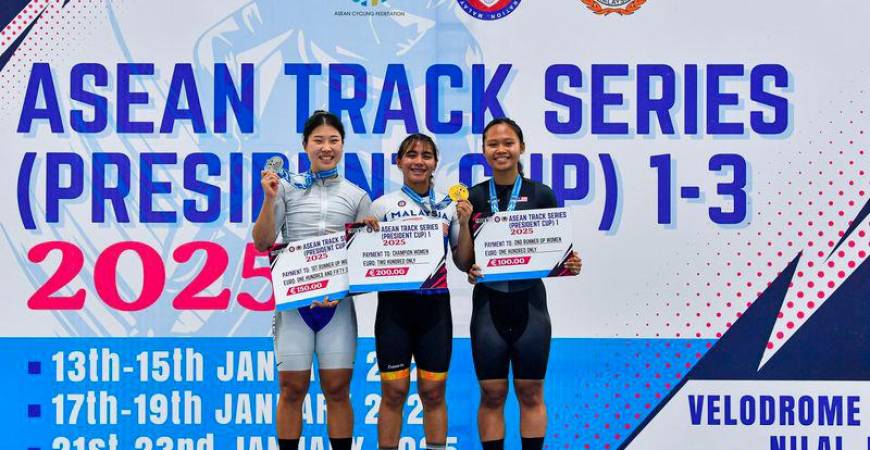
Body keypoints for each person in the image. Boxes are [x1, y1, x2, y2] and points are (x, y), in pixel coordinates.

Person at [454, 118, 583, 450]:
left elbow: (557, 251)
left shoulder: (541, 194)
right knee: (493, 394)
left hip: (530, 307)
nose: (501, 150)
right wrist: (466, 223)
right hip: (488, 308)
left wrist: (570, 263)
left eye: (508, 143)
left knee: (531, 392)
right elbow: (465, 263)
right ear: (483, 150)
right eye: (493, 144)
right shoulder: (474, 196)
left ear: (521, 147)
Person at [252, 111, 374, 450]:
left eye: (333, 140)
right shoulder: (285, 190)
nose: (326, 147)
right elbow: (262, 242)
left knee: (337, 389)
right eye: (318, 140)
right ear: (305, 146)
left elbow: (365, 261)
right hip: (295, 306)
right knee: (292, 389)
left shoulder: (356, 195)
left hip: (337, 307)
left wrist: (344, 289)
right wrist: (268, 198)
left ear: (343, 146)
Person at [363, 134, 474, 450]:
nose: (419, 161)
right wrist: (366, 232)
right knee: (394, 393)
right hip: (394, 311)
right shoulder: (382, 205)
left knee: (433, 392)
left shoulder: (449, 206)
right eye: (411, 154)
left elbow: (464, 262)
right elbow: (366, 258)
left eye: (426, 155)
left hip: (435, 310)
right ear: (399, 161)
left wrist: (464, 224)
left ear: (435, 163)